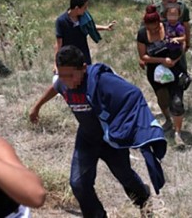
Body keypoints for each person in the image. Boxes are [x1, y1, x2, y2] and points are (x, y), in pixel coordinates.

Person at [30, 45, 167, 218]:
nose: (66, 80)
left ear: (84, 68)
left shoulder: (101, 80)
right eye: (62, 75)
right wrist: (37, 107)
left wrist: (130, 128)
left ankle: (144, 202)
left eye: (70, 75)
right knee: (78, 183)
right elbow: (56, 87)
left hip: (110, 140)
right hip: (87, 139)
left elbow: (133, 94)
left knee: (125, 177)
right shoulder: (63, 81)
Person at [137, 5, 186, 146]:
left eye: (156, 28)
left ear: (160, 23)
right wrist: (162, 61)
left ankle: (178, 133)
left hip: (175, 68)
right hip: (155, 72)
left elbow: (182, 44)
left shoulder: (170, 27)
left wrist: (174, 60)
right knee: (163, 99)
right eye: (150, 28)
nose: (153, 30)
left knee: (177, 102)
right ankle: (168, 119)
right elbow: (143, 56)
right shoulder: (142, 34)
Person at [54, 0, 116, 73]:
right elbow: (58, 44)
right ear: (77, 8)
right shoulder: (61, 21)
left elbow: (91, 27)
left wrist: (105, 27)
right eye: (84, 7)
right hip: (69, 56)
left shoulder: (83, 17)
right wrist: (56, 64)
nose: (86, 9)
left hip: (83, 54)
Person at [155, 0, 191, 73]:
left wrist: (187, 43)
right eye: (170, 2)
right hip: (160, 49)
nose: (173, 5)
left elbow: (186, 26)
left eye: (175, 1)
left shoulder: (182, 8)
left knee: (181, 74)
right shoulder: (156, 10)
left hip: (176, 46)